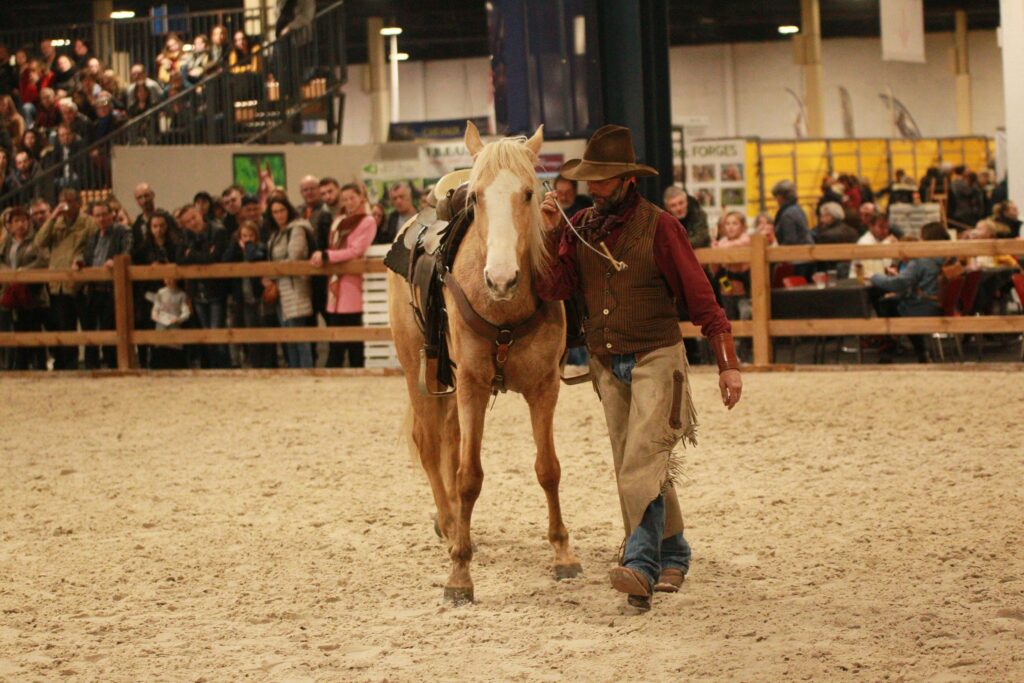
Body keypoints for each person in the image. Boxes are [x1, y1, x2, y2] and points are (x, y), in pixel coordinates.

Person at [537, 124, 742, 611]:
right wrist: (548, 237)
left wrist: (727, 364)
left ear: (627, 180)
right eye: (589, 179)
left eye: (601, 180)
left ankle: (641, 565)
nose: (592, 188)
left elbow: (701, 299)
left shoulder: (662, 227)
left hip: (657, 358)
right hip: (607, 364)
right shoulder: (581, 225)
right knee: (641, 466)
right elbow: (556, 288)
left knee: (638, 464)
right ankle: (676, 552)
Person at [311, 183, 376, 367]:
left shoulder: (367, 221)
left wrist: (328, 256)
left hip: (353, 285)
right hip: (336, 285)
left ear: (361, 198)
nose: (349, 202)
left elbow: (356, 250)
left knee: (355, 343)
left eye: (352, 198)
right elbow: (336, 245)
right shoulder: (339, 219)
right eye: (345, 199)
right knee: (336, 342)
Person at [871, 222, 953, 364]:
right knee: (896, 302)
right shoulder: (951, 257)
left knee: (886, 304)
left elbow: (897, 284)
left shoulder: (923, 260)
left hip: (923, 307)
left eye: (921, 238)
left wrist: (873, 277)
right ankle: (909, 349)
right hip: (942, 305)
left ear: (927, 239)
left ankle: (892, 347)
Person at [34, 188, 97, 370]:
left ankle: (92, 363)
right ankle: (70, 365)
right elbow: (39, 242)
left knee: (88, 326)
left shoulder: (89, 223)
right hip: (58, 284)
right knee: (65, 326)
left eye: (70, 201)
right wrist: (53, 217)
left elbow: (92, 248)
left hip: (80, 284)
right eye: (63, 202)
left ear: (79, 203)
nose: (67, 206)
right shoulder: (56, 222)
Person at [77, 199, 131, 369]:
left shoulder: (122, 232)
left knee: (111, 328)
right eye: (97, 216)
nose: (101, 219)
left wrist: (116, 262)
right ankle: (91, 366)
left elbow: (127, 251)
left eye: (104, 214)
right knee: (90, 329)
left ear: (111, 215)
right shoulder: (93, 237)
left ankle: (114, 365)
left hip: (112, 289)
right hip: (93, 289)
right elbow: (86, 257)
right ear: (93, 218)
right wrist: (79, 262)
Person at [177, 205, 230, 368]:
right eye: (187, 221)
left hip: (215, 290)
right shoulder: (185, 236)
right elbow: (179, 259)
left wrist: (191, 254)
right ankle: (213, 368)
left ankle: (223, 367)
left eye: (193, 218)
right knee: (206, 332)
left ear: (200, 214)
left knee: (216, 331)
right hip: (197, 292)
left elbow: (213, 258)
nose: (192, 223)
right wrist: (201, 256)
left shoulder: (218, 231)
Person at [264, 196, 314, 368]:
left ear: (288, 210)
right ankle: (293, 369)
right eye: (275, 212)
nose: (278, 215)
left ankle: (306, 369)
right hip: (279, 288)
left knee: (299, 335)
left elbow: (295, 256)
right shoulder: (275, 234)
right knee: (288, 336)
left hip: (294, 287)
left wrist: (272, 272)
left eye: (281, 210)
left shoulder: (297, 229)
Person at [0, 206, 49, 370]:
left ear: (28, 222)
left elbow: (42, 260)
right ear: (10, 225)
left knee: (34, 329)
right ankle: (20, 365)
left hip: (32, 293)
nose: (20, 224)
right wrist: (8, 272)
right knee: (17, 330)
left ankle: (40, 365)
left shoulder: (36, 240)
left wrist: (23, 272)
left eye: (23, 220)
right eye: (16, 221)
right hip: (12, 292)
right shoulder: (7, 243)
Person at [223, 219, 275, 368]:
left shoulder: (261, 248)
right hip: (242, 297)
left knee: (263, 331)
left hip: (259, 296)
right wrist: (235, 247)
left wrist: (249, 246)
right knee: (248, 332)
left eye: (251, 236)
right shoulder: (235, 249)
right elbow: (225, 260)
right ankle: (253, 363)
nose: (247, 239)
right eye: (244, 236)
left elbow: (252, 258)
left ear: (256, 236)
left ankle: (266, 364)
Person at [131, 210, 179, 368]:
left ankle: (166, 363)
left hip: (169, 293)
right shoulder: (143, 248)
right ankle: (144, 363)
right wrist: (150, 269)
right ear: (150, 228)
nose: (159, 229)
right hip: (148, 293)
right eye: (155, 226)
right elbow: (135, 267)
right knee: (147, 325)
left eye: (162, 226)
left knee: (167, 327)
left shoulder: (175, 246)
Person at [149, 277, 190, 369]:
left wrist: (178, 319)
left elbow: (186, 312)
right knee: (160, 350)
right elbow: (155, 308)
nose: (169, 280)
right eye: (166, 278)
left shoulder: (181, 294)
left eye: (171, 277)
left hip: (174, 326)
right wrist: (155, 315)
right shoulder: (160, 292)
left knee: (173, 352)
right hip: (161, 326)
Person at [813, 201, 858, 278]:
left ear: (830, 216)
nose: (821, 220)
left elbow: (821, 261)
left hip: (833, 274)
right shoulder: (853, 231)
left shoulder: (825, 235)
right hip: (851, 271)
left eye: (823, 216)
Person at [378, 181, 418, 245]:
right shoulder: (391, 219)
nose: (398, 201)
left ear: (410, 197)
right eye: (394, 198)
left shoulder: (421, 216)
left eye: (401, 196)